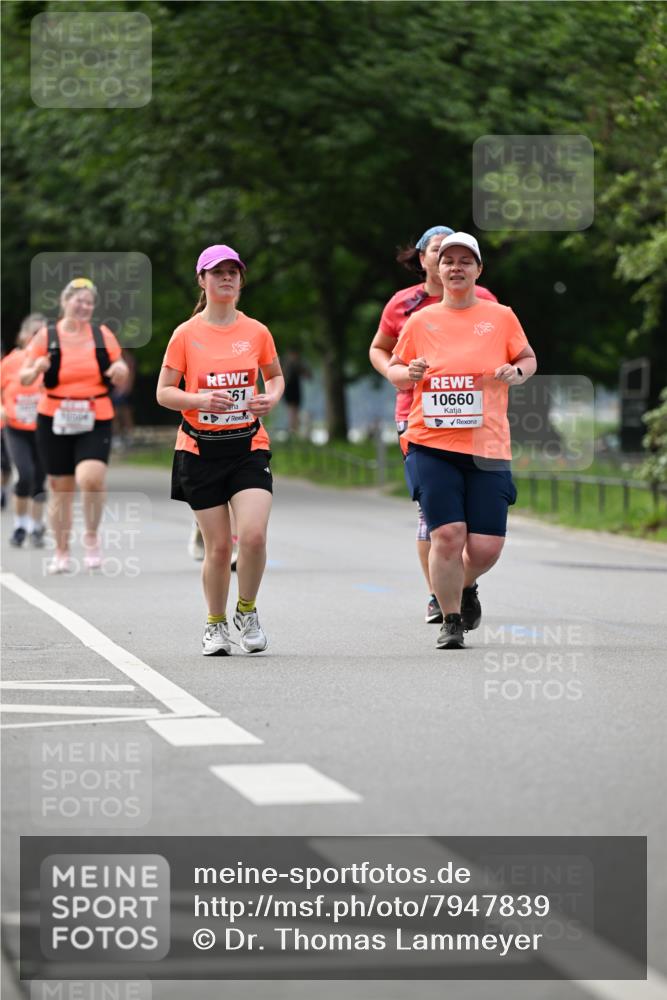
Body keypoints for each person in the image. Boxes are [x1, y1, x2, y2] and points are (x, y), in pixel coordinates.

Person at [388, 232, 537, 649]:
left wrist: (517, 373)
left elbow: (527, 357)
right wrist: (410, 373)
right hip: (430, 443)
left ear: (478, 270)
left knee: (486, 547)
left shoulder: (500, 316)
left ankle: (463, 585)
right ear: (436, 268)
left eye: (465, 261)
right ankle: (451, 618)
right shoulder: (420, 320)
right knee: (448, 535)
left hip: (488, 446)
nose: (455, 267)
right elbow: (394, 369)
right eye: (448, 260)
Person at [157, 244, 284, 656]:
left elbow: (275, 377)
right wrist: (198, 401)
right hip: (198, 449)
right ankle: (215, 624)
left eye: (233, 272)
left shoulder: (256, 331)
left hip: (248, 444)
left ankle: (246, 611)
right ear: (203, 280)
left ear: (241, 280)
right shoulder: (186, 334)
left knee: (253, 535)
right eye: (217, 272)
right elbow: (163, 393)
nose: (226, 278)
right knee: (219, 547)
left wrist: (272, 397)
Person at [369, 225, 498, 625]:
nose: (448, 260)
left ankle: (461, 582)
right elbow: (380, 350)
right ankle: (437, 596)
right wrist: (400, 375)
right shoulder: (404, 305)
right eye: (439, 252)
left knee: (476, 522)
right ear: (424, 260)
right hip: (416, 412)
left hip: (475, 418)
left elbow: (504, 346)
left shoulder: (487, 302)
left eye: (457, 254)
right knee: (435, 514)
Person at [20, 278, 129, 573]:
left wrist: (119, 369)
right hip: (54, 416)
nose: (84, 306)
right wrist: (37, 368)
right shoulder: (46, 336)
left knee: (91, 478)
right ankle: (61, 550)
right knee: (60, 487)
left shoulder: (101, 333)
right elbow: (25, 377)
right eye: (78, 300)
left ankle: (91, 536)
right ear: (64, 302)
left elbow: (120, 367)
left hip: (95, 414)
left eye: (89, 302)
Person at [0, 313, 48, 546]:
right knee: (25, 474)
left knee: (39, 479)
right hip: (16, 427)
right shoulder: (10, 361)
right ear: (23, 336)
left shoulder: (50, 361)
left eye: (43, 334)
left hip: (44, 428)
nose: (38, 338)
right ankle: (20, 525)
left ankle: (36, 526)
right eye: (34, 333)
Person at [283, 348, 311, 435]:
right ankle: (293, 429)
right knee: (291, 410)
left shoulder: (298, 364)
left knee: (295, 410)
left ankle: (295, 429)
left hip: (295, 389)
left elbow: (308, 375)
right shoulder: (287, 364)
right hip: (289, 389)